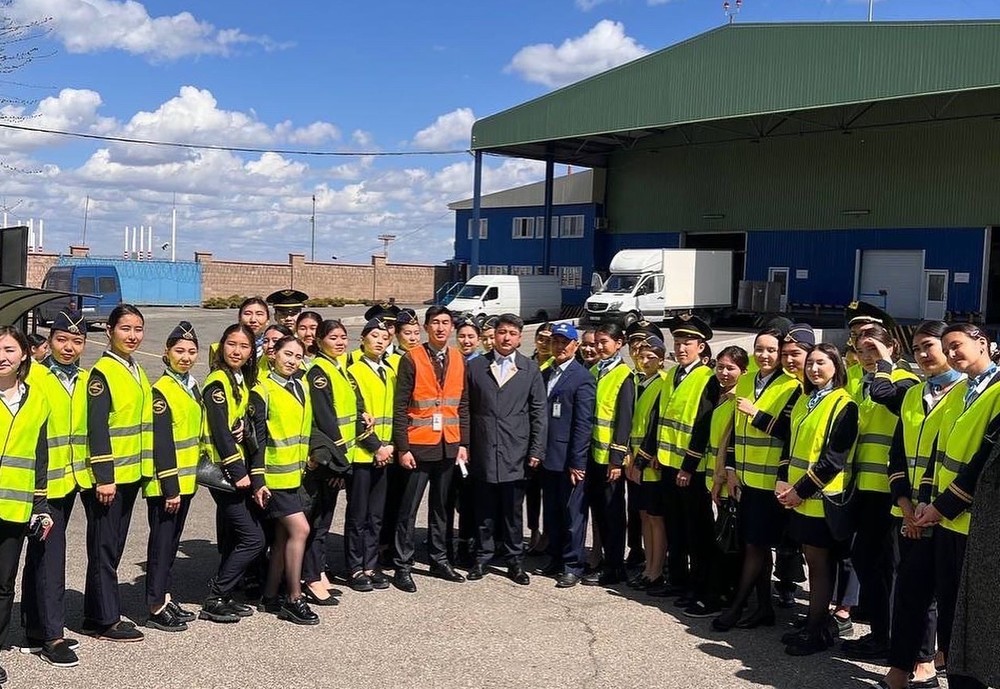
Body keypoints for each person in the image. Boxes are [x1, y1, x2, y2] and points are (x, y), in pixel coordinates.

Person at [876, 321, 963, 689]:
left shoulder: (965, 394)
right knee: (910, 593)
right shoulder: (913, 394)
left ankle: (931, 664)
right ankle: (901, 669)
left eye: (929, 345)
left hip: (949, 513)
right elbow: (898, 454)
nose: (923, 354)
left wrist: (927, 509)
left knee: (946, 599)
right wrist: (905, 505)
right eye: (916, 349)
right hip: (912, 511)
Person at [913, 322, 1000, 689]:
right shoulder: (960, 390)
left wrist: (941, 507)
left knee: (978, 620)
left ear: (983, 343)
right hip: (946, 521)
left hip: (978, 525)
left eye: (957, 345)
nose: (950, 354)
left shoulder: (997, 391)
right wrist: (925, 500)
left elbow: (983, 462)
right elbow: (938, 451)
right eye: (946, 348)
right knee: (950, 613)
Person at [713, 326, 803, 630]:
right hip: (745, 479)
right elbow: (736, 430)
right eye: (759, 349)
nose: (764, 355)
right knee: (757, 546)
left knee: (756, 545)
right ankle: (764, 607)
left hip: (771, 483)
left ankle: (738, 605)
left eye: (771, 350)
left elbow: (788, 432)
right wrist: (731, 469)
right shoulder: (747, 380)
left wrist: (756, 414)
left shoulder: (792, 386)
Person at [775, 343, 859, 656]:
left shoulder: (844, 404)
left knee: (820, 565)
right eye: (810, 363)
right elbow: (791, 445)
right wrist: (783, 480)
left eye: (821, 363)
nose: (813, 369)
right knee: (813, 562)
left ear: (836, 366)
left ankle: (816, 631)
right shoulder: (805, 399)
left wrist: (799, 490)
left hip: (821, 498)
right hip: (798, 496)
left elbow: (833, 459)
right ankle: (815, 622)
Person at [842, 322, 918, 661]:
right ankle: (879, 632)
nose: (866, 355)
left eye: (873, 348)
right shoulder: (862, 380)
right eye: (861, 350)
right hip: (862, 485)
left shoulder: (905, 381)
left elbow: (886, 398)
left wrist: (884, 363)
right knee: (869, 561)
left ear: (892, 348)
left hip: (887, 488)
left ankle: (886, 638)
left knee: (882, 563)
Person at [80, 304, 152, 642]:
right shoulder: (102, 374)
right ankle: (104, 620)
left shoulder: (135, 369)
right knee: (104, 548)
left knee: (113, 545)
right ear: (109, 331)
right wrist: (104, 476)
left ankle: (94, 613)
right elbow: (97, 428)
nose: (133, 335)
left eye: (138, 329)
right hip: (111, 478)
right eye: (125, 328)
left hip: (130, 475)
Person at [18, 310, 86, 668]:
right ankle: (52, 637)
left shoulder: (85, 378)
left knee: (40, 555)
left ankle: (35, 627)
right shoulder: (34, 376)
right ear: (49, 341)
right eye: (61, 339)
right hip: (41, 483)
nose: (69, 347)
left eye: (77, 341)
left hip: (71, 480)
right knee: (51, 558)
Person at [639, 315, 719, 603]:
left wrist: (688, 466)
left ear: (701, 347)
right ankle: (677, 579)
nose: (682, 348)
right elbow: (660, 417)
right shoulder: (673, 374)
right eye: (678, 342)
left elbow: (702, 426)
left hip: (691, 470)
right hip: (667, 464)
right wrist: (650, 454)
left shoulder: (707, 378)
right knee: (674, 526)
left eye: (688, 343)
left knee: (695, 529)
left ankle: (698, 585)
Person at [391, 305, 470, 593]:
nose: (440, 328)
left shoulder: (459, 359)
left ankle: (439, 559)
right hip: (418, 445)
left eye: (445, 323)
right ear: (426, 327)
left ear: (452, 328)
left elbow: (463, 405)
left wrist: (463, 443)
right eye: (435, 322)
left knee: (441, 509)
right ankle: (402, 565)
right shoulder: (411, 358)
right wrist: (403, 447)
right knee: (408, 510)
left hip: (448, 445)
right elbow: (400, 406)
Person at [465, 313, 547, 586]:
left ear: (519, 338)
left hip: (516, 450)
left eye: (512, 333)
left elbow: (538, 412)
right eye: (502, 332)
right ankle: (482, 556)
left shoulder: (529, 369)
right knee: (484, 508)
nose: (506, 338)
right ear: (493, 335)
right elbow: (465, 408)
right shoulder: (476, 366)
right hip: (484, 448)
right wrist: (465, 445)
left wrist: (536, 449)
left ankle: (514, 561)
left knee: (513, 512)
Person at [248, 336, 318, 625]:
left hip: (295, 475)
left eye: (298, 356)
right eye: (287, 354)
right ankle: (293, 597)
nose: (292, 361)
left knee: (282, 537)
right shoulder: (262, 390)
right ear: (273, 354)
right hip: (274, 477)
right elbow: (257, 439)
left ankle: (269, 595)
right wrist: (258, 479)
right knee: (301, 529)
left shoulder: (301, 386)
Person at [0, 326, 53, 686]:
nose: (2, 356)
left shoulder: (37, 400)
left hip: (15, 506)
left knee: (4, 584)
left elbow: (40, 456)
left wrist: (41, 504)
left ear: (24, 354)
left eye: (9, 349)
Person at [200, 323, 263, 624]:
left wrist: (243, 427)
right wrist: (238, 471)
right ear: (222, 346)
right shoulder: (217, 381)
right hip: (223, 471)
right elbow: (219, 431)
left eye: (244, 346)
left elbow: (234, 421)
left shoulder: (239, 379)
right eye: (232, 344)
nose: (237, 351)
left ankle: (223, 595)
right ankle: (215, 596)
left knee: (240, 535)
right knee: (253, 538)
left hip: (236, 468)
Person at [143, 322, 202, 633]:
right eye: (179, 351)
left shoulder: (191, 385)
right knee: (162, 544)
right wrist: (170, 488)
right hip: (168, 484)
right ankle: (155, 605)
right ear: (166, 353)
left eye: (191, 351)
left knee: (171, 543)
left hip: (186, 480)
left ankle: (165, 596)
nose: (186, 357)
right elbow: (162, 442)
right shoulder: (161, 391)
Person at [532, 323, 594, 588]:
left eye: (565, 342)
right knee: (553, 512)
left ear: (575, 346)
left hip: (569, 458)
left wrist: (578, 461)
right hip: (548, 456)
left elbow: (583, 423)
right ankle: (556, 557)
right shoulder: (546, 373)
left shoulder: (582, 377)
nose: (559, 347)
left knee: (572, 515)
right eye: (555, 342)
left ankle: (573, 565)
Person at [302, 319, 356, 605]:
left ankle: (318, 572)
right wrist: (341, 463)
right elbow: (325, 419)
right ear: (320, 340)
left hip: (338, 458)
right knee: (315, 521)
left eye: (343, 337)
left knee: (324, 520)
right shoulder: (319, 372)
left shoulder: (339, 368)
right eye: (333, 337)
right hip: (327, 460)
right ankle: (310, 578)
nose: (340, 342)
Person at [344, 319, 396, 593]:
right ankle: (354, 567)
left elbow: (395, 412)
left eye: (384, 337)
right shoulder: (353, 371)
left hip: (385, 454)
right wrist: (376, 447)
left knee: (376, 515)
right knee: (358, 515)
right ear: (363, 339)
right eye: (374, 336)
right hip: (363, 454)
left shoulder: (389, 371)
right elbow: (355, 413)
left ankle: (370, 564)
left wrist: (390, 447)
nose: (379, 341)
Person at [697, 345, 749, 618]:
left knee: (728, 542)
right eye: (720, 367)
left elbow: (728, 444)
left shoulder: (738, 400)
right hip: (715, 480)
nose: (724, 373)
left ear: (744, 371)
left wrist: (720, 480)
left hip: (729, 482)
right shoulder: (720, 395)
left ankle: (724, 595)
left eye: (731, 368)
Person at [583, 322, 634, 587]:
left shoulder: (624, 375)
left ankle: (615, 566)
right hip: (593, 455)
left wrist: (617, 459)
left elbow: (624, 420)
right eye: (598, 341)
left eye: (605, 342)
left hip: (610, 460)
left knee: (613, 514)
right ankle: (602, 559)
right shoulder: (595, 370)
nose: (600, 346)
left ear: (619, 343)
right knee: (599, 512)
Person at [627, 336, 667, 591]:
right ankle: (647, 566)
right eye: (641, 356)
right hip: (634, 457)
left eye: (651, 357)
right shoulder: (638, 381)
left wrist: (641, 458)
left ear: (661, 360)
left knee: (655, 517)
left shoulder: (662, 383)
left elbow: (654, 424)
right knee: (643, 515)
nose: (645, 361)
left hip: (649, 461)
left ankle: (656, 570)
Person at [209, 297, 271, 369]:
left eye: (259, 314)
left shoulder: (274, 349)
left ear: (268, 320)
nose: (253, 320)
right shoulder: (218, 349)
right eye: (247, 314)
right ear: (239, 318)